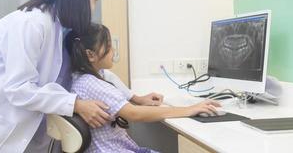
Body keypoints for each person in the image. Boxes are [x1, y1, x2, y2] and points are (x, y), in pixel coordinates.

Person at [0, 0, 114, 152]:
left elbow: (83, 72)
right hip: (7, 130)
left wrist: (131, 97)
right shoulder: (30, 23)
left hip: (39, 132)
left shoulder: (63, 27)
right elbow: (19, 89)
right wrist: (77, 104)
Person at [66, 24, 221, 153]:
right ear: (91, 55)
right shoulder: (92, 83)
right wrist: (189, 110)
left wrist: (138, 99)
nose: (113, 52)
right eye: (108, 46)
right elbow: (134, 114)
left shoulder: (85, 78)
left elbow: (114, 83)